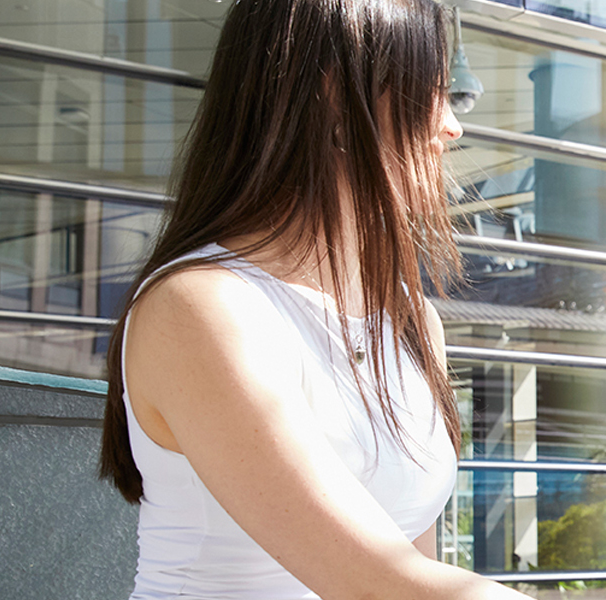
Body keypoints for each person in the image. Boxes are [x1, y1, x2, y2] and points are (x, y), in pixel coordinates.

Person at [96, 1, 528, 598]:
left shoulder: (409, 319)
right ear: (335, 94)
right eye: (432, 91)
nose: (452, 126)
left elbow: (416, 568)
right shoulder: (202, 308)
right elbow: (378, 582)